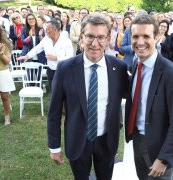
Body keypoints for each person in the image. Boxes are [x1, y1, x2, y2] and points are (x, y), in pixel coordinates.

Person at [47, 13, 129, 179]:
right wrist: (54, 147)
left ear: (107, 39)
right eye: (90, 36)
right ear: (82, 37)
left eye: (100, 37)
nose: (95, 43)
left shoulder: (119, 67)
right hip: (77, 139)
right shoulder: (65, 68)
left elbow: (134, 95)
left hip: (107, 140)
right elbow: (54, 112)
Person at [125, 14, 173, 179]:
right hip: (138, 139)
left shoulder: (170, 73)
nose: (140, 42)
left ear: (157, 37)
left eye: (146, 36)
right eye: (135, 36)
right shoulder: (135, 64)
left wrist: (164, 158)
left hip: (160, 146)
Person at [17, 19, 73, 90]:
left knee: (65, 91)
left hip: (64, 71)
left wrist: (56, 58)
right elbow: (37, 48)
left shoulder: (66, 41)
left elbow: (70, 58)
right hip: (51, 71)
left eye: (48, 29)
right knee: (54, 91)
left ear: (55, 30)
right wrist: (27, 56)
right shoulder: (46, 39)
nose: (45, 31)